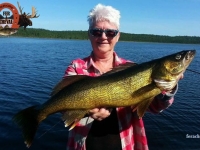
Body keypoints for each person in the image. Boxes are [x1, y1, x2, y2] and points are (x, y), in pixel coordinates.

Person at [63, 4, 182, 150]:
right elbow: (63, 104)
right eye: (96, 32)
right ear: (89, 35)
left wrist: (169, 87)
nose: (103, 37)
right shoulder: (76, 67)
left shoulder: (132, 68)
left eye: (111, 32)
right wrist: (87, 111)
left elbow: (155, 107)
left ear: (118, 36)